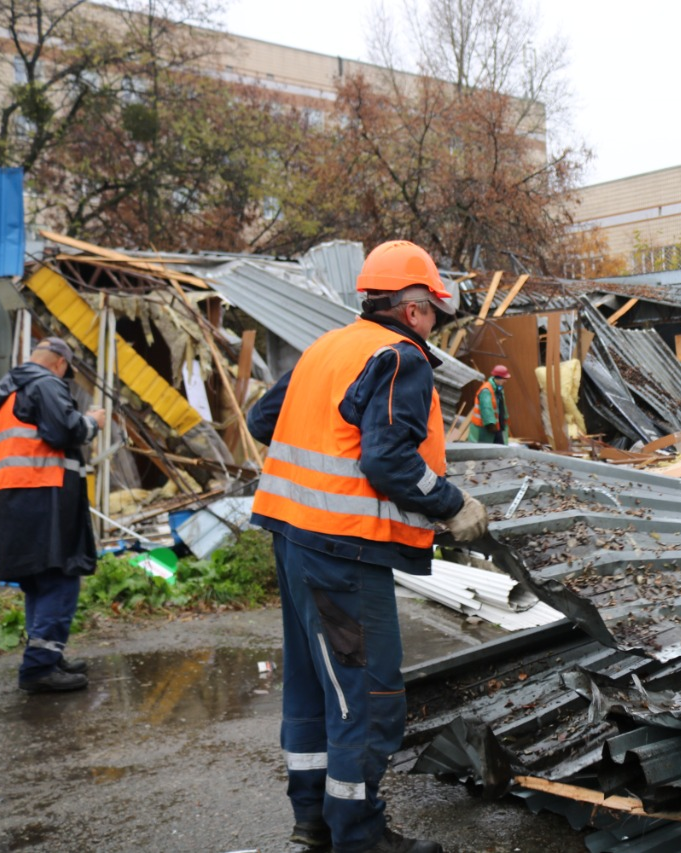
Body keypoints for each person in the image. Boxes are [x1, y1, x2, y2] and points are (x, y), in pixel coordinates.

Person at [247, 240, 487, 853]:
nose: (433, 322)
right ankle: (360, 836)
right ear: (412, 310)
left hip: (292, 535)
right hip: (343, 551)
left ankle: (314, 824)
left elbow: (260, 421)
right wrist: (453, 504)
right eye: (433, 309)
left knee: (311, 685)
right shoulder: (400, 358)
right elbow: (389, 461)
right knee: (368, 695)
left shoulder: (329, 347)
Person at [0, 336, 106, 693]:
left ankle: (47, 655)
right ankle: (39, 667)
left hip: (12, 497)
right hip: (45, 492)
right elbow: (65, 430)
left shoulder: (5, 394)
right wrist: (93, 421)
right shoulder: (46, 383)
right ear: (60, 364)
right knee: (60, 574)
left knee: (38, 578)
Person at [468, 365, 510, 444]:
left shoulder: (498, 389)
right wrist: (491, 425)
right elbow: (486, 409)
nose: (505, 381)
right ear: (498, 378)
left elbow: (501, 408)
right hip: (486, 429)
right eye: (505, 379)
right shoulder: (486, 391)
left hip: (497, 427)